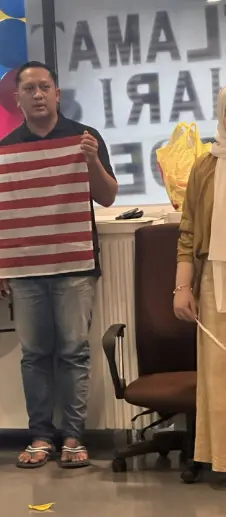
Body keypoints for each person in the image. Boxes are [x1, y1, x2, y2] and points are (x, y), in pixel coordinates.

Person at [0, 61, 117, 469]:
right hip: (26, 267)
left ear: (57, 93)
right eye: (29, 89)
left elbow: (108, 197)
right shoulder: (6, 148)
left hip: (75, 264)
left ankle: (74, 436)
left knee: (74, 352)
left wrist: (91, 161)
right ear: (18, 98)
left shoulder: (84, 138)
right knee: (34, 355)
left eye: (44, 87)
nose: (38, 95)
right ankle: (41, 435)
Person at [174, 85, 226, 474]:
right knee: (218, 375)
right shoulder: (205, 167)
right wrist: (182, 288)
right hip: (215, 280)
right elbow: (188, 233)